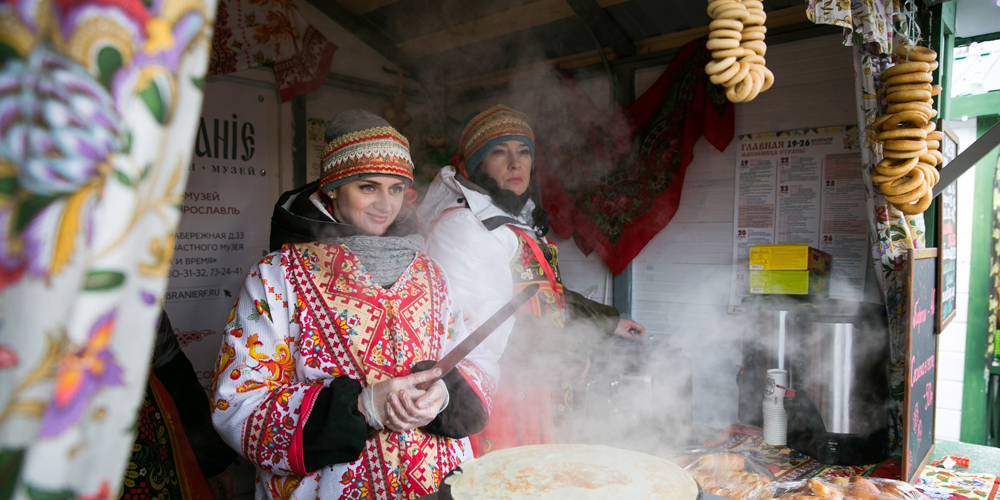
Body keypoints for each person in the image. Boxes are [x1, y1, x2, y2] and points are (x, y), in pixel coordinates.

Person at [211, 110, 497, 500]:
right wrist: (361, 407)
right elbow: (238, 403)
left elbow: (472, 362)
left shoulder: (432, 273)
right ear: (331, 188)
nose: (385, 204)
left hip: (436, 487)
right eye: (368, 187)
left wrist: (444, 395)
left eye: (396, 188)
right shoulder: (277, 276)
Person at [417, 104, 646, 454]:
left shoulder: (509, 217)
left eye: (524, 151)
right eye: (499, 152)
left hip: (534, 392)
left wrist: (608, 321)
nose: (515, 163)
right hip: (497, 401)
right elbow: (475, 331)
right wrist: (564, 354)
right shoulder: (463, 227)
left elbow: (544, 294)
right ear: (476, 163)